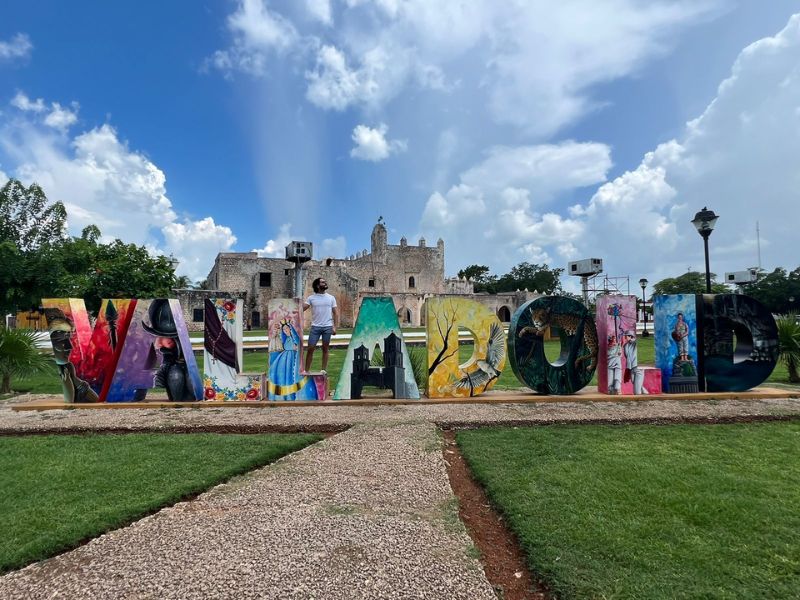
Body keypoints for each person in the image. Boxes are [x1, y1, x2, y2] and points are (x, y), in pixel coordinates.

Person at [304, 277, 338, 373]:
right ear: (318, 285)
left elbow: (335, 313)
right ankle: (306, 371)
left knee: (325, 348)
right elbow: (301, 308)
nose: (325, 283)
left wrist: (334, 327)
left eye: (325, 281)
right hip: (315, 327)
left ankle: (323, 370)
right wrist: (294, 304)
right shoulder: (311, 298)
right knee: (310, 348)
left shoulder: (331, 298)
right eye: (323, 282)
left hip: (327, 327)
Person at [622, 330, 645, 395]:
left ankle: (640, 398)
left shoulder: (635, 343)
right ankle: (644, 392)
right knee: (633, 381)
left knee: (636, 392)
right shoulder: (626, 345)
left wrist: (633, 339)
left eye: (626, 336)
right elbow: (627, 356)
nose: (625, 337)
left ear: (630, 336)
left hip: (638, 367)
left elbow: (637, 341)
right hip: (631, 368)